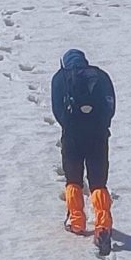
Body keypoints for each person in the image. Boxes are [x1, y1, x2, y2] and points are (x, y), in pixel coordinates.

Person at [50, 48, 116, 238]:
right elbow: (110, 106)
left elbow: (57, 108)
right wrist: (101, 125)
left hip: (72, 136)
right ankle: (103, 224)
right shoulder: (100, 76)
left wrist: (69, 125)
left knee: (73, 179)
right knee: (98, 181)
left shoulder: (60, 77)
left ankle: (76, 220)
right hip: (98, 135)